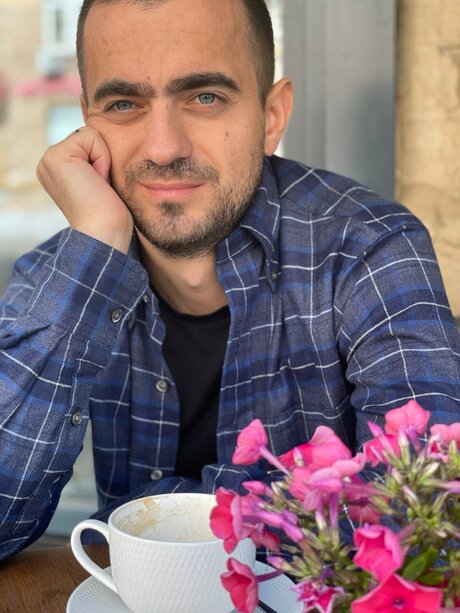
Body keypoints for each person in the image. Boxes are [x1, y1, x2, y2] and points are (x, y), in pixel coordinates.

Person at [0, 0, 458, 561]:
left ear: (272, 117)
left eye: (205, 97)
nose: (163, 147)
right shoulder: (63, 275)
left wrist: (141, 516)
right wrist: (95, 243)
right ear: (87, 126)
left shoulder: (370, 247)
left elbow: (427, 515)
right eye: (123, 104)